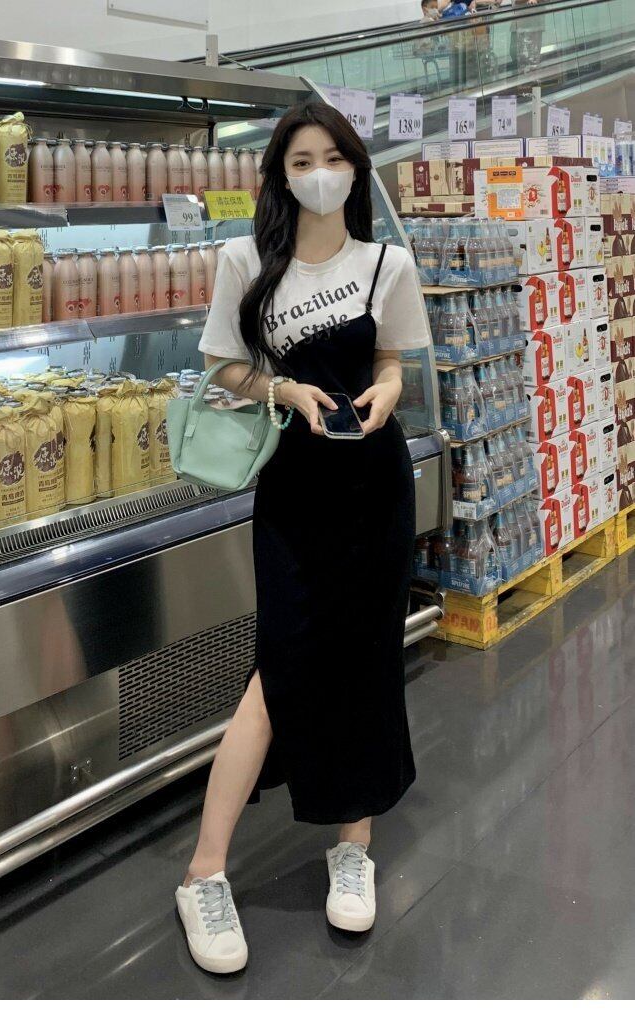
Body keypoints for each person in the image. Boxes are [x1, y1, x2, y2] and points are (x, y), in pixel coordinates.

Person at [174, 101, 430, 975]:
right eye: (302, 161)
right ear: (281, 175)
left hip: (375, 486)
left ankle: (353, 846)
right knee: (278, 667)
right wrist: (283, 390)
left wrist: (387, 390)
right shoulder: (245, 260)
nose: (320, 173)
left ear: (356, 168)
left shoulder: (387, 264)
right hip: (294, 490)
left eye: (334, 158)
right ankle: (204, 872)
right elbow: (222, 364)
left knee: (366, 655)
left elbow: (393, 361)